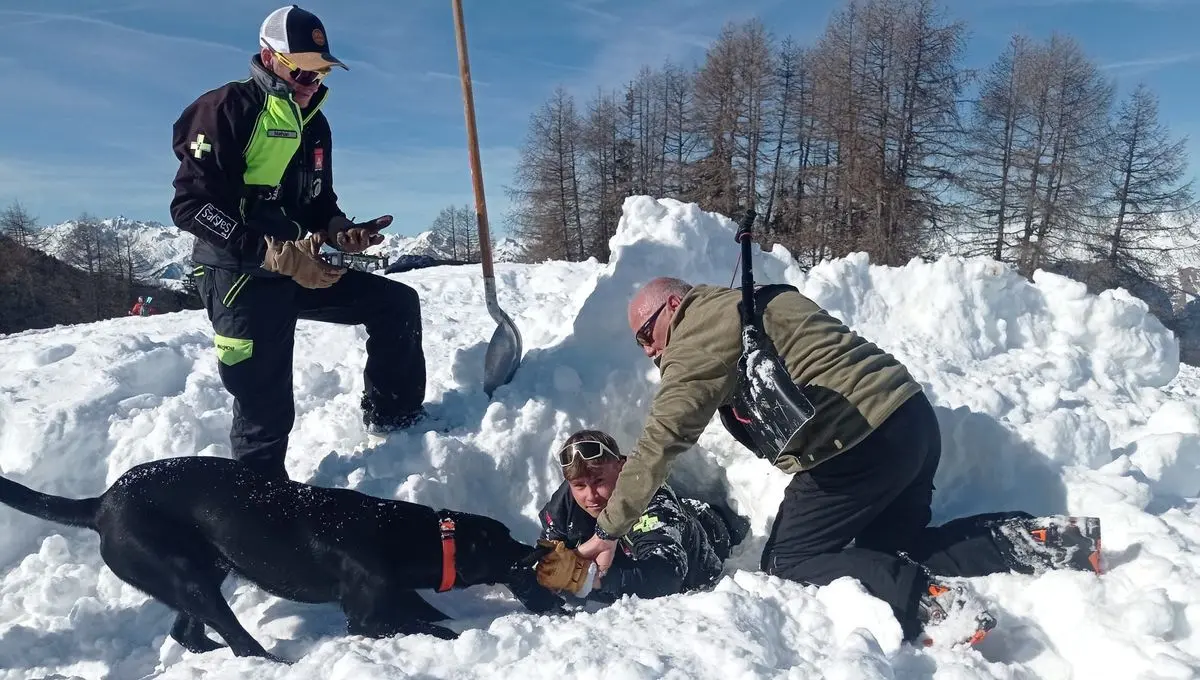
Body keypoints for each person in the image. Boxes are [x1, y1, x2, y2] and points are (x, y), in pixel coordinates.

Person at [575, 276, 1103, 646]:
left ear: (674, 307)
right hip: (911, 418)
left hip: (855, 447)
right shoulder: (755, 298)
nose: (647, 350)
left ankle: (933, 603)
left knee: (788, 561)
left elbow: (661, 439)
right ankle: (1047, 540)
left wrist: (609, 528)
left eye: (646, 333)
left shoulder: (695, 336)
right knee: (891, 547)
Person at [168, 5, 427, 480]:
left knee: (396, 305)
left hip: (299, 265)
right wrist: (269, 253)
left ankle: (396, 422)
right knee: (263, 406)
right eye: (302, 70)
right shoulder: (224, 109)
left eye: (322, 71)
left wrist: (339, 228)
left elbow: (316, 200)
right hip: (237, 275)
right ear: (269, 58)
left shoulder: (316, 125)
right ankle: (260, 512)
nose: (312, 83)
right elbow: (190, 207)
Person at [535, 429, 743, 602]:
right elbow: (551, 547)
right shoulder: (568, 499)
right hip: (628, 554)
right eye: (579, 486)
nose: (590, 496)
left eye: (599, 481)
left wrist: (589, 579)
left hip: (709, 540)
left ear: (622, 466)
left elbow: (667, 576)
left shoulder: (651, 501)